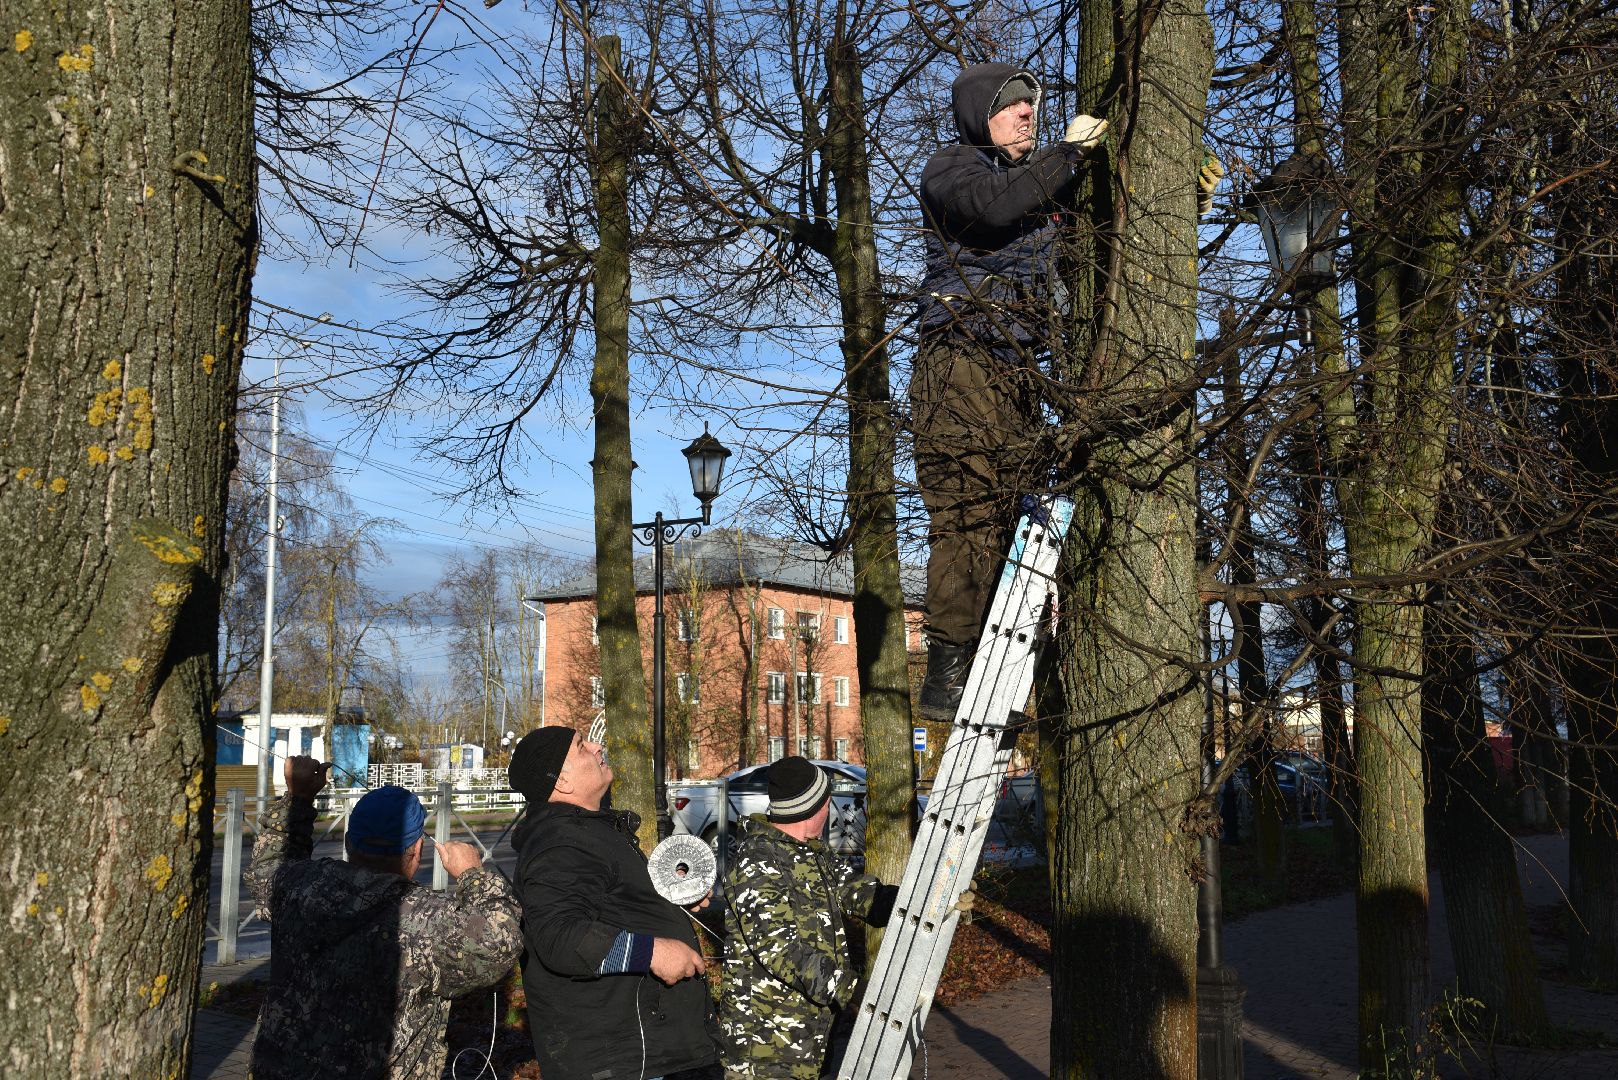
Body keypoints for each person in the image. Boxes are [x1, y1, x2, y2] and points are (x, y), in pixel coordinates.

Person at [911, 62, 1222, 719]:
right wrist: (1070, 153)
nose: (1027, 113)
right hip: (961, 363)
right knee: (969, 512)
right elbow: (996, 208)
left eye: (1032, 105)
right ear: (977, 119)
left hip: (1021, 372)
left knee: (1018, 524)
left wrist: (1177, 206)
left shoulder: (1044, 197)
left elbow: (1098, 251)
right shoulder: (953, 170)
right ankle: (947, 677)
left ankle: (1015, 673)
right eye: (1011, 106)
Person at [246, 756, 523, 1079]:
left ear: (348, 842)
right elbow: (499, 941)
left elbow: (269, 868)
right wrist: (473, 874)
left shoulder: (300, 888)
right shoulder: (426, 919)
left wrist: (299, 798)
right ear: (418, 850)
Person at [508, 726, 720, 1080]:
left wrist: (669, 899)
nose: (595, 745)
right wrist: (652, 952)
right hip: (626, 1061)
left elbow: (609, 904)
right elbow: (560, 937)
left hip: (651, 1052)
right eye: (580, 746)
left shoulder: (587, 831)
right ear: (560, 782)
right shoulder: (561, 843)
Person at [717, 757, 902, 1079]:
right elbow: (782, 951)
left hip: (810, 1035)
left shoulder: (809, 854)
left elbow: (859, 894)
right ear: (818, 805)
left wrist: (926, 900)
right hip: (766, 1046)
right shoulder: (757, 862)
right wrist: (853, 990)